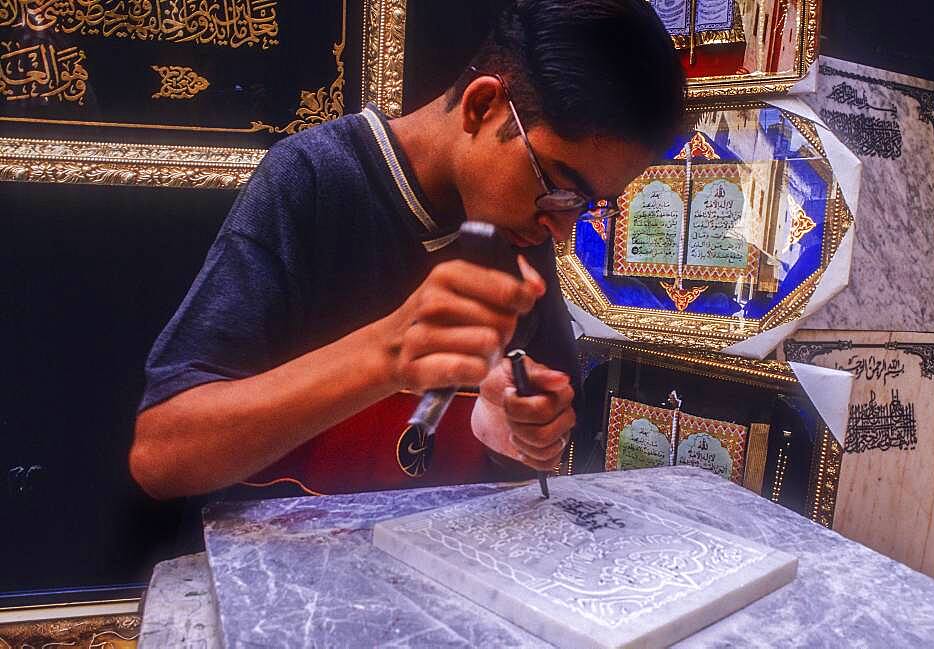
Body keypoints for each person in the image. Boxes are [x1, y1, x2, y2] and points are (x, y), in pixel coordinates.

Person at [129, 0, 686, 500]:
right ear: (483, 105)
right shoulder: (313, 179)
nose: (560, 230)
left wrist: (515, 428)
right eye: (560, 187)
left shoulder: (521, 226)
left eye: (587, 204)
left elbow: (533, 429)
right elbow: (162, 456)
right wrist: (388, 354)